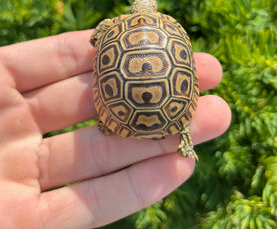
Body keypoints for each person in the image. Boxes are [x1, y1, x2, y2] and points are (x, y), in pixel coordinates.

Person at [0, 30, 231, 229]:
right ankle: (183, 134)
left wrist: (102, 33)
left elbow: (95, 40)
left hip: (122, 110)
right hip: (169, 107)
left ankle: (111, 122)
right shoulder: (172, 29)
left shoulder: (115, 29)